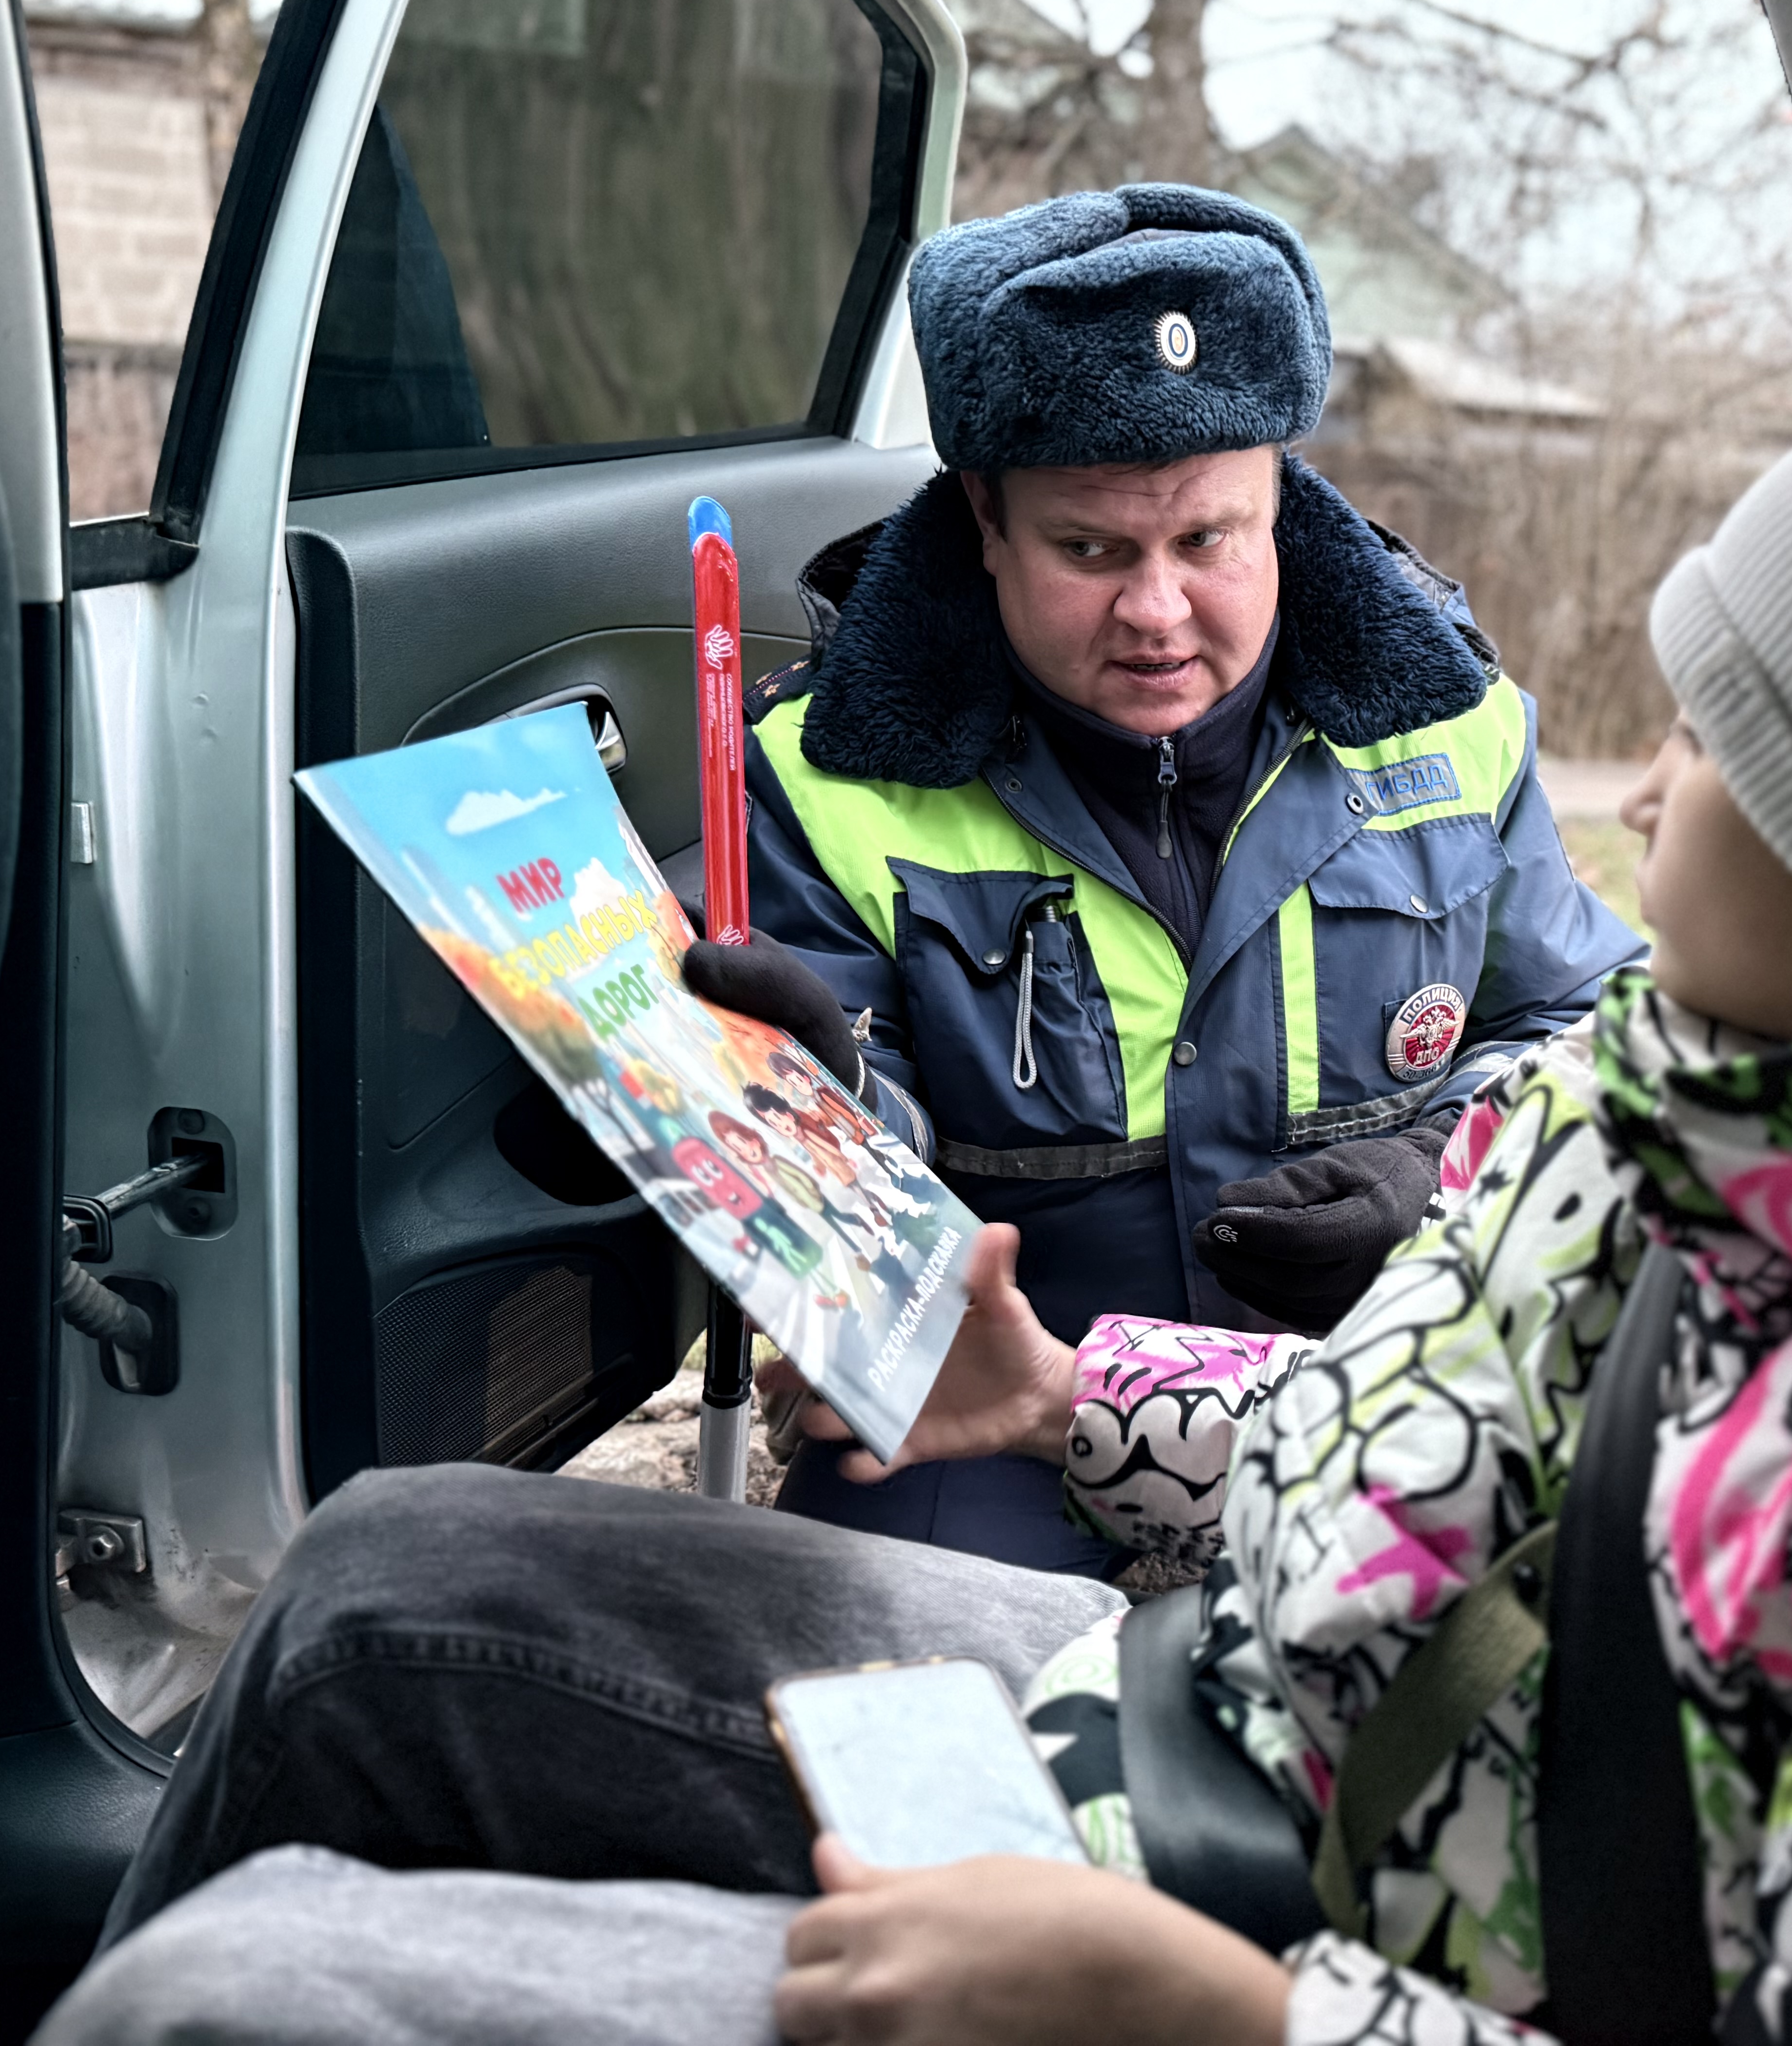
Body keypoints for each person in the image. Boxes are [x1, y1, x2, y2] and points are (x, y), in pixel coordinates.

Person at [39, 332, 1792, 2046]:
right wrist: (1062, 1392)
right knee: (377, 1580)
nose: (1655, 784)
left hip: (1280, 1948)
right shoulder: (1754, 1100)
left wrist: (1227, 2022)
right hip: (1219, 1730)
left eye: (1736, 744)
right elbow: (1464, 1474)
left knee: (235, 2001)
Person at [677, 183, 1642, 1576]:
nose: (1157, 611)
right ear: (984, 518)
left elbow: (1593, 1026)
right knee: (896, 1673)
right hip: (993, 1388)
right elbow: (828, 1203)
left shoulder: (1452, 722)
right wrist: (823, 1109)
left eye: (1209, 540)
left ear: (1280, 499)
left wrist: (1434, 1168)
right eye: (1090, 550)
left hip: (1365, 1360)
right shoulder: (820, 775)